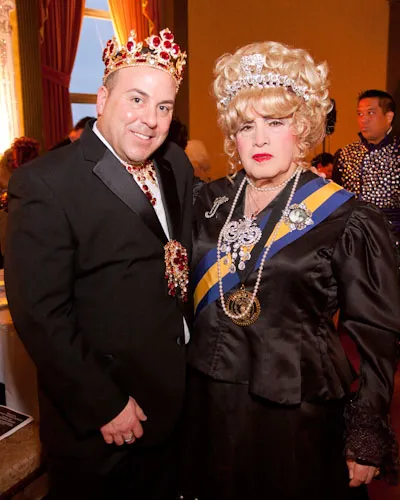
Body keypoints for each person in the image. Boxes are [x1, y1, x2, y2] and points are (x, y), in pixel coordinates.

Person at [179, 42, 400, 500]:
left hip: (296, 407)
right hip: (210, 400)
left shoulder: (345, 216)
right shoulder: (207, 202)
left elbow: (376, 335)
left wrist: (366, 428)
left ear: (302, 128)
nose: (259, 139)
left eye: (275, 122)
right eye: (246, 125)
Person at [5, 28, 192, 500]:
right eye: (136, 99)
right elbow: (41, 315)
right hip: (104, 423)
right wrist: (104, 403)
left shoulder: (176, 164)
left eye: (164, 107)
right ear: (103, 98)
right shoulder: (46, 182)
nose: (150, 119)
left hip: (174, 403)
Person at [332, 90, 400, 252]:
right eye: (360, 114)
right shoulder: (345, 154)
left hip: (393, 243)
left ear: (388, 117)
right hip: (354, 242)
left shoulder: (397, 152)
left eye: (371, 113)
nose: (363, 119)